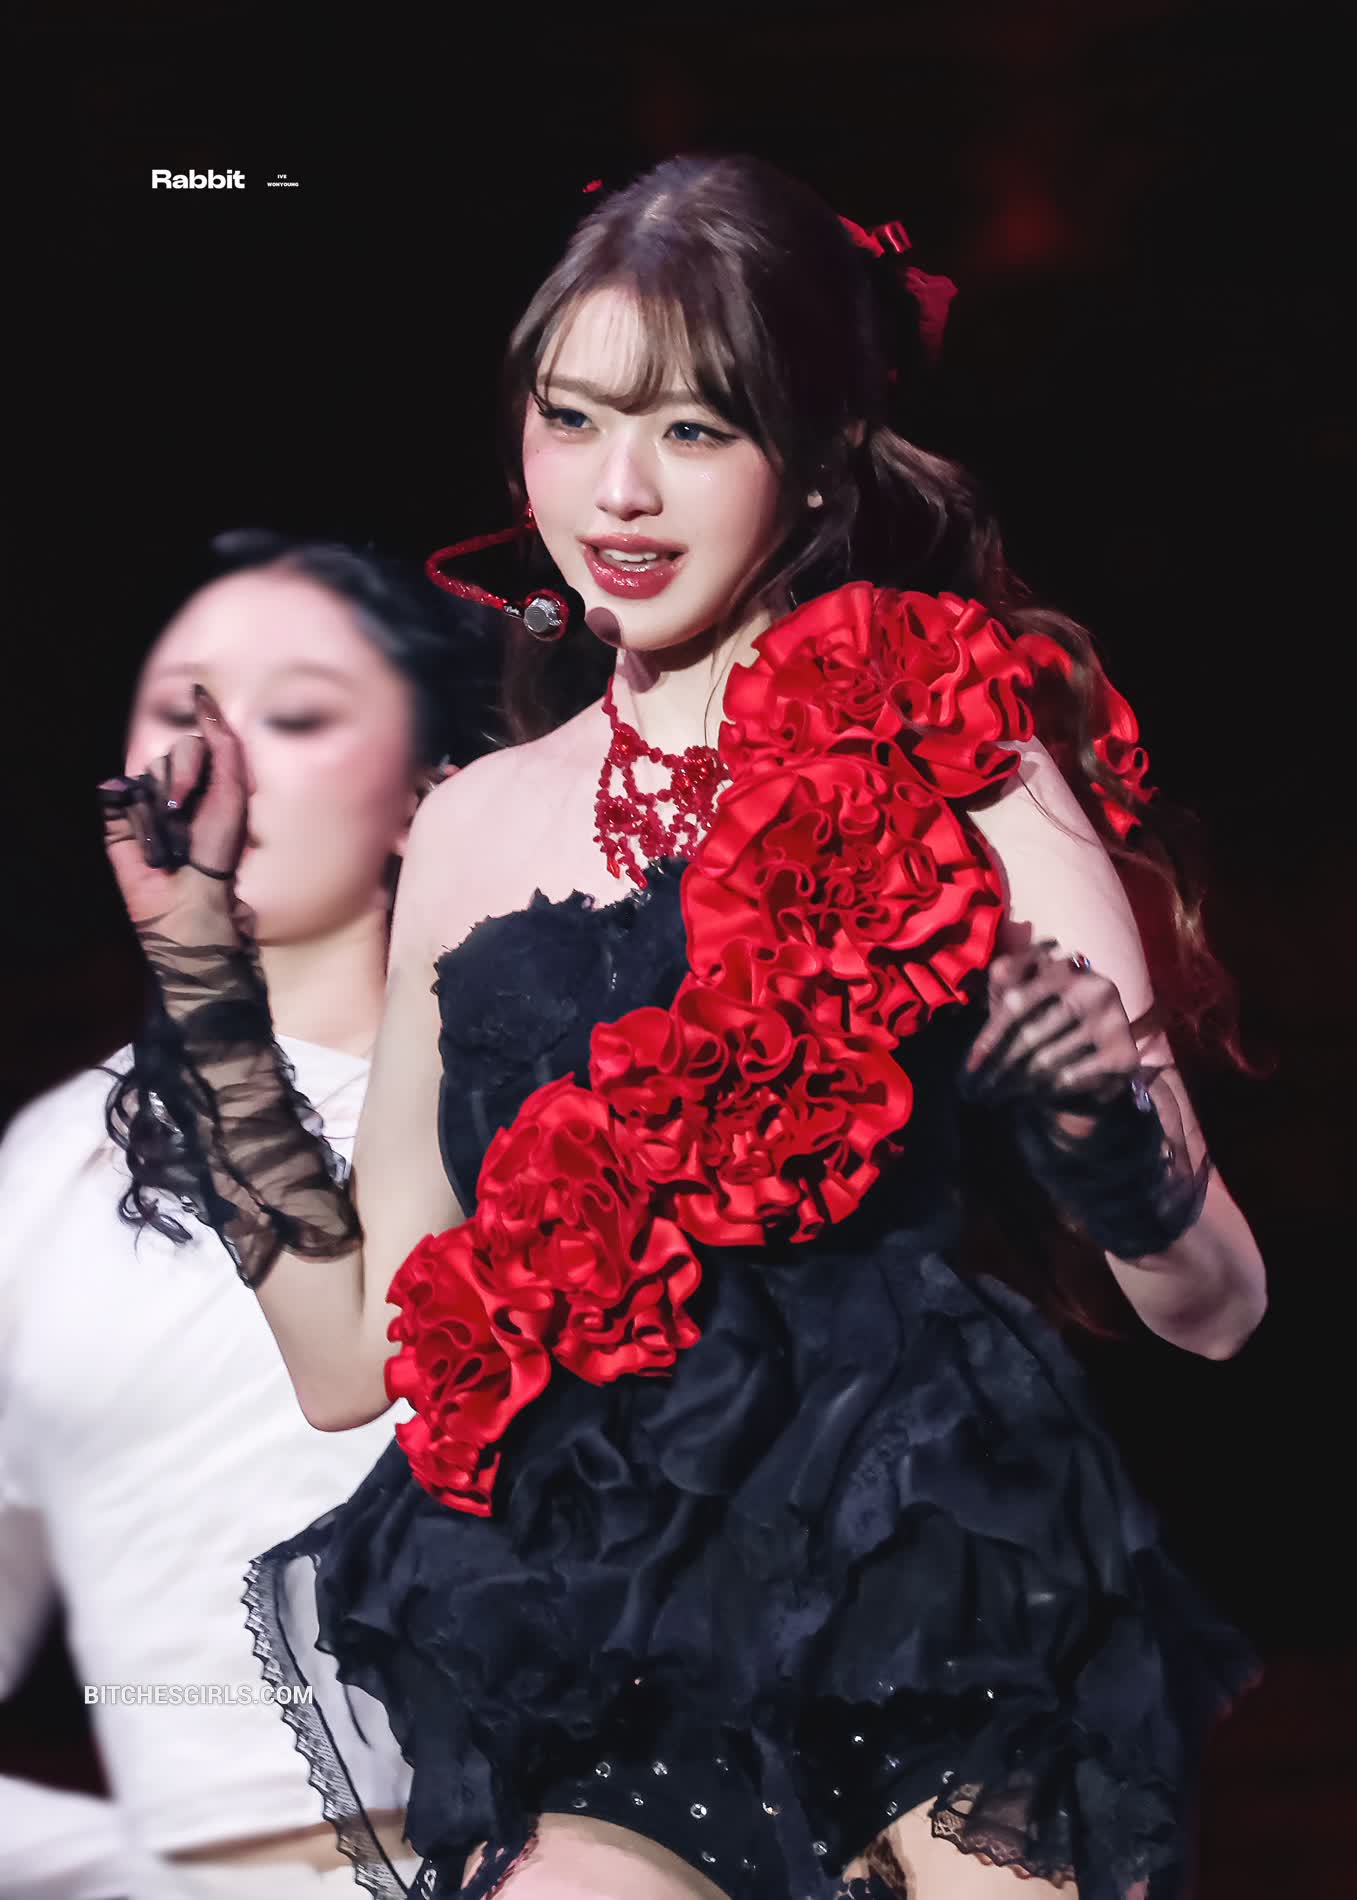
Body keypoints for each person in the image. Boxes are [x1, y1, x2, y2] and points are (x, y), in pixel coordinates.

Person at [96, 159, 1266, 1900]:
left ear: (820, 455)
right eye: (570, 419)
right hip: (610, 1638)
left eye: (694, 430)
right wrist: (199, 967)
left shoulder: (954, 746)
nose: (618, 491)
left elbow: (1217, 1307)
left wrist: (1109, 1147)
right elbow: (353, 1363)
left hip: (938, 1598)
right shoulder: (474, 825)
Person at [1, 531, 500, 1900]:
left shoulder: (522, 1121)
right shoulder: (49, 1166)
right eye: (182, 708)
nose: (216, 762)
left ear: (430, 791)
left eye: (297, 716)